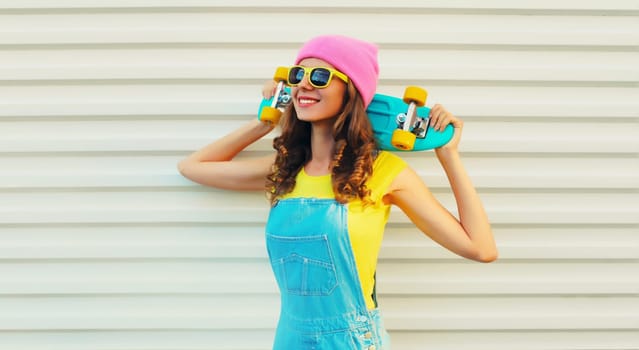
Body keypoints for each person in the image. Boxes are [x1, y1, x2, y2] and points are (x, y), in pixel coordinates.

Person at [178, 34, 497, 350]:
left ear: (351, 92)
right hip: (289, 338)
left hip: (351, 340)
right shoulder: (285, 168)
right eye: (297, 75)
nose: (304, 84)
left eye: (320, 77)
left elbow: (480, 249)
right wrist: (265, 120)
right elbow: (193, 167)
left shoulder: (382, 171)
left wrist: (449, 155)